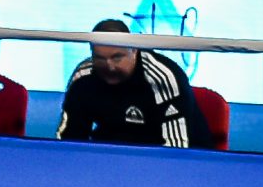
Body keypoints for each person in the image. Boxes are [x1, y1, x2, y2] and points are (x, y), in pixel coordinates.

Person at [57, 18, 209, 147]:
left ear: (134, 50)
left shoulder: (163, 78)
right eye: (100, 58)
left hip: (169, 155)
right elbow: (68, 141)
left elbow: (176, 149)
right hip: (112, 155)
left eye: (117, 57)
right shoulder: (83, 76)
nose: (110, 66)